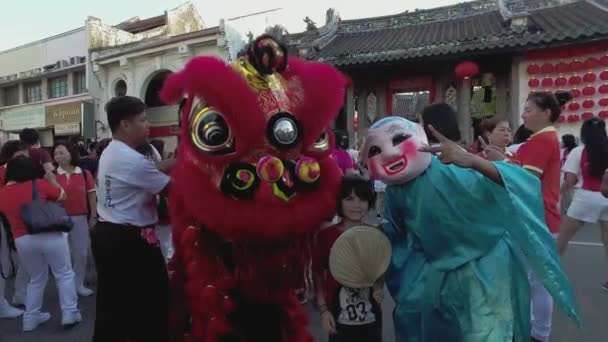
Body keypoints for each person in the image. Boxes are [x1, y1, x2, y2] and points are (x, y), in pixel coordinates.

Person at [360, 116, 579, 341]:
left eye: (398, 138)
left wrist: (476, 162)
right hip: (435, 274)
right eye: (375, 150)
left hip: (485, 271)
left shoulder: (454, 167)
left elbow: (521, 183)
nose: (389, 153)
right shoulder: (396, 193)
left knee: (485, 332)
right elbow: (396, 238)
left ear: (419, 134)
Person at [91, 96, 174, 342]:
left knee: (113, 306)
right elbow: (174, 191)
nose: (148, 124)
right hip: (129, 242)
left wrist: (181, 160)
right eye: (143, 119)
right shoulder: (131, 160)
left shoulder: (113, 150)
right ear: (125, 124)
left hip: (110, 235)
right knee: (151, 303)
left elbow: (152, 170)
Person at [0, 156, 81, 332]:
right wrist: (51, 180)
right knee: (64, 273)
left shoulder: (2, 193)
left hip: (22, 239)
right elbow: (62, 196)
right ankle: (69, 313)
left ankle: (30, 318)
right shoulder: (39, 184)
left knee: (36, 278)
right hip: (50, 233)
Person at [517, 90, 572, 342]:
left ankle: (539, 333)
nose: (523, 115)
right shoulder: (545, 138)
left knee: (537, 281)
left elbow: (525, 180)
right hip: (542, 218)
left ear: (546, 112)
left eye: (528, 110)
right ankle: (537, 331)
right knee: (536, 280)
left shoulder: (542, 140)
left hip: (538, 219)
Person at [313, 176, 383, 342]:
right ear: (340, 202)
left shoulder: (376, 235)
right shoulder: (326, 236)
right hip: (338, 320)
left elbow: (380, 270)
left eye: (362, 199)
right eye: (349, 199)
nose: (356, 205)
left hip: (371, 320)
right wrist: (324, 311)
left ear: (369, 203)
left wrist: (379, 286)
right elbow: (317, 275)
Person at [557, 118, 608, 291]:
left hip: (585, 198)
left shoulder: (579, 151)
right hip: (606, 198)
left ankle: (551, 273)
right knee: (607, 240)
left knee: (562, 238)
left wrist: (558, 192)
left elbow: (570, 180)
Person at [53, 142, 97, 297]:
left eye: (61, 152)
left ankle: (78, 283)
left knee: (81, 253)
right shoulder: (51, 175)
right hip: (58, 220)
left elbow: (92, 194)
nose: (58, 156)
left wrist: (93, 215)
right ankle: (66, 286)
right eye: (56, 153)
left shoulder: (84, 173)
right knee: (63, 254)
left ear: (71, 153)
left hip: (80, 217)